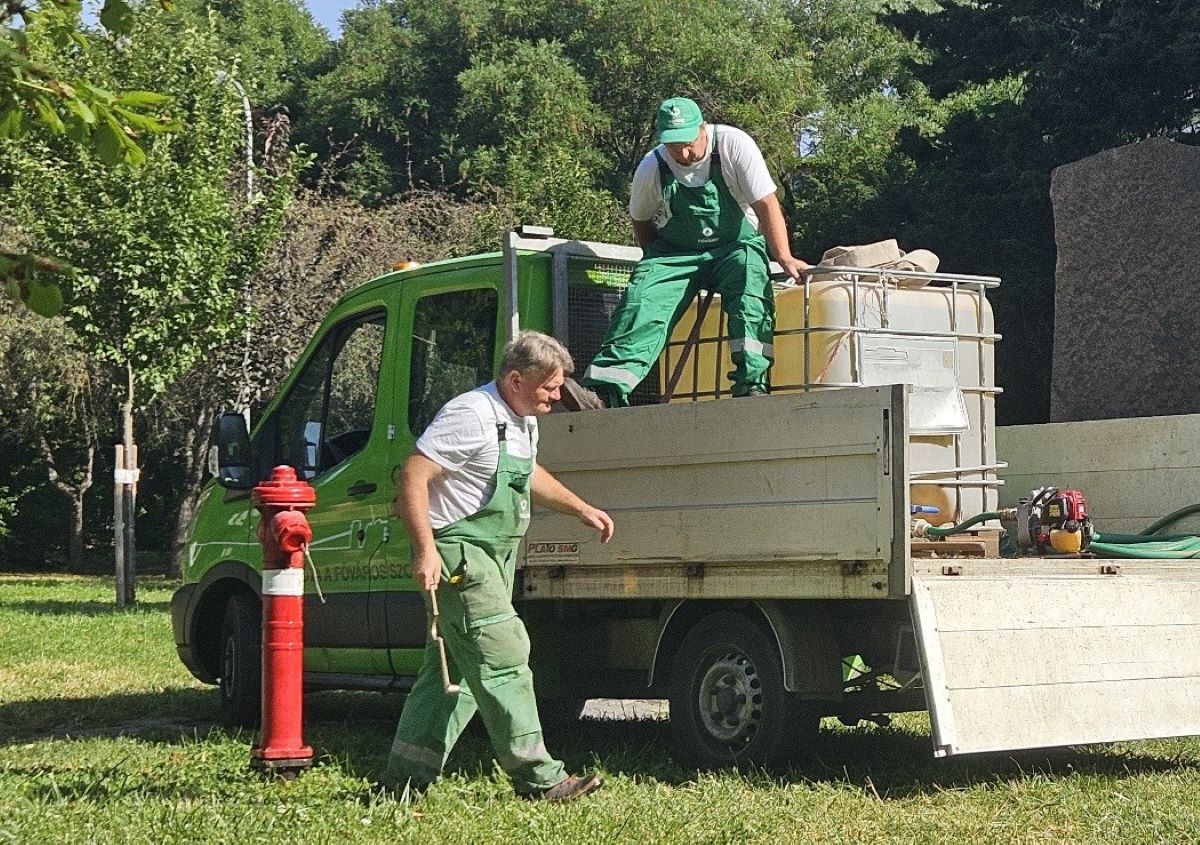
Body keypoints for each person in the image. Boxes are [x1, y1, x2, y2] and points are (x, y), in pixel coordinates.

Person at [383, 331, 615, 802]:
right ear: (515, 380)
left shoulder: (523, 420)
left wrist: (580, 508)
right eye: (550, 386)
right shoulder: (470, 414)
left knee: (452, 674)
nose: (557, 396)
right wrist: (425, 551)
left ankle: (403, 782)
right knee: (504, 656)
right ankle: (542, 779)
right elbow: (412, 475)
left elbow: (528, 474)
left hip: (494, 558)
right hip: (461, 557)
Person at [563, 97, 811, 410]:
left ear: (702, 128)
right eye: (672, 146)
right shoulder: (651, 167)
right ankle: (603, 392)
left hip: (734, 247)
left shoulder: (734, 146)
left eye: (687, 144)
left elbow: (766, 205)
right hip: (675, 254)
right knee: (643, 297)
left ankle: (751, 388)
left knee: (750, 283)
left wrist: (785, 257)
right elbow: (641, 220)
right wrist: (658, 268)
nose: (681, 154)